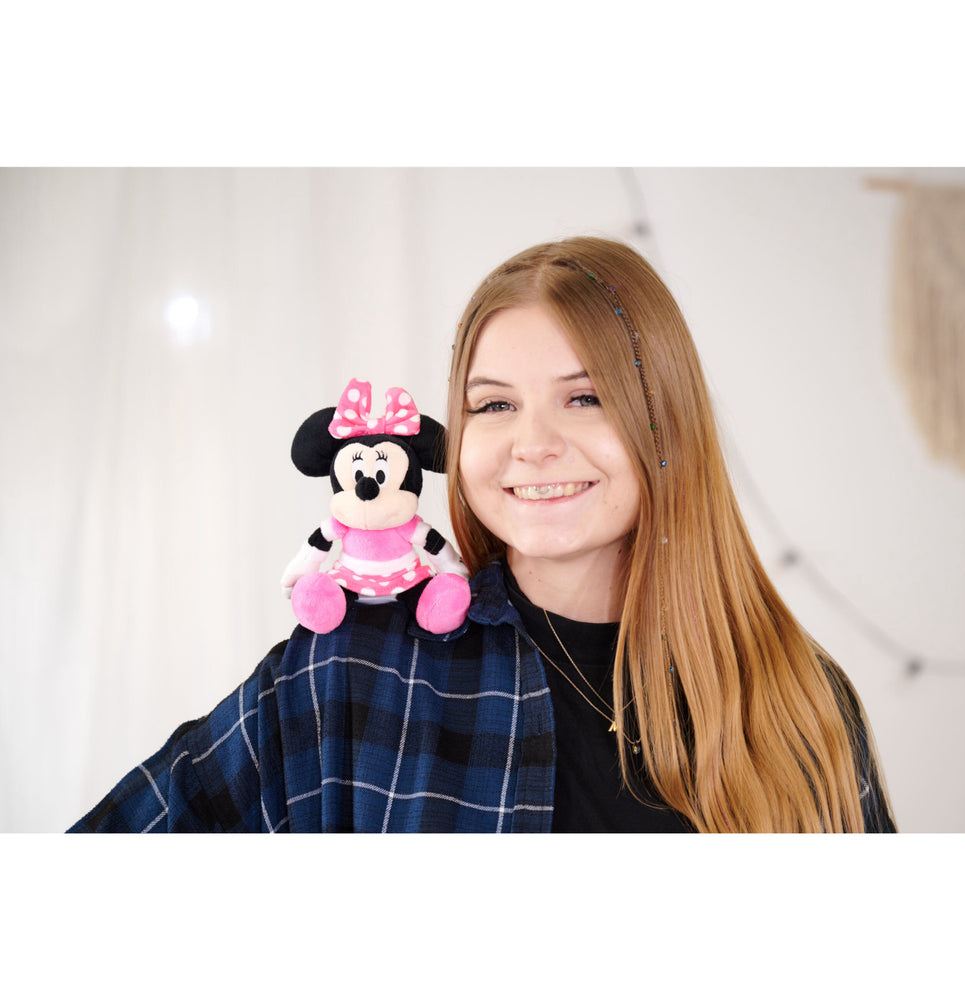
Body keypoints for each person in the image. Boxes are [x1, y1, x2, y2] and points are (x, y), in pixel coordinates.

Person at [69, 236, 895, 833]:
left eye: (585, 397)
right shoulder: (353, 670)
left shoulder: (800, 700)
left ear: (665, 421)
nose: (532, 443)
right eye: (494, 404)